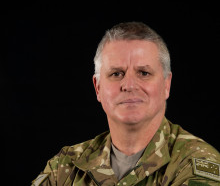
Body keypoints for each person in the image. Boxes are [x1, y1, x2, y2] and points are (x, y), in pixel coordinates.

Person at [31, 21, 220, 186]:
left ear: (166, 85)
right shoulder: (66, 165)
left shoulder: (196, 162)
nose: (129, 85)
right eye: (116, 74)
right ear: (98, 87)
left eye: (143, 73)